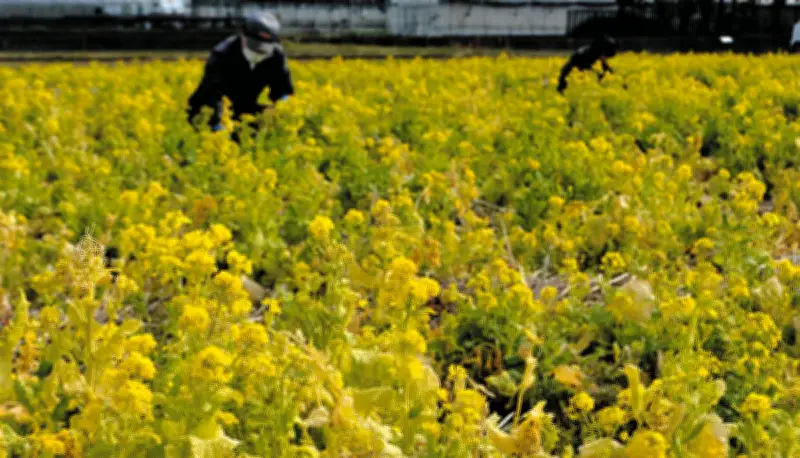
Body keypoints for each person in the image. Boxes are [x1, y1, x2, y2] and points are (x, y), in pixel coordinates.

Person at [187, 11, 294, 137]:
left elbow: (282, 90)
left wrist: (284, 106)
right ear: (243, 35)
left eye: (264, 48)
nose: (258, 52)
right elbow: (212, 93)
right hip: (209, 109)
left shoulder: (276, 56)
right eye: (254, 45)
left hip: (244, 109)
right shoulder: (223, 53)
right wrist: (218, 125)